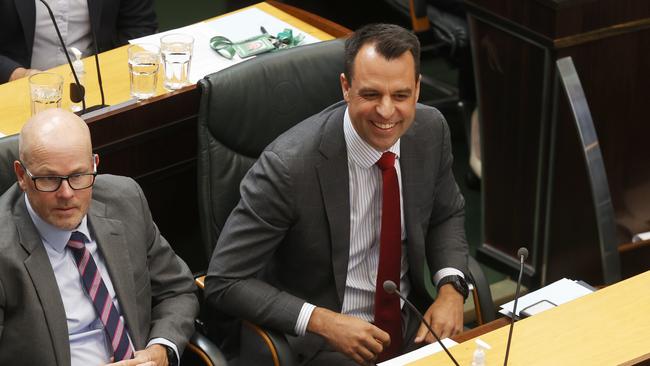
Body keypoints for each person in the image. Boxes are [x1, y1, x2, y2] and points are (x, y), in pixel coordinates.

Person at [205, 23, 469, 365]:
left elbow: (446, 213)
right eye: (371, 95)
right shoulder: (287, 167)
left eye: (401, 95)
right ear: (346, 88)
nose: (387, 112)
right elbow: (225, 280)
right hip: (323, 345)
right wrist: (322, 321)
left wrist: (450, 289)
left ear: (418, 89)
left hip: (408, 327)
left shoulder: (430, 130)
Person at [0, 109, 198, 365]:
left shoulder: (125, 200)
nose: (67, 193)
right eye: (49, 179)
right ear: (21, 176)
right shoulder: (4, 250)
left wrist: (160, 350)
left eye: (78, 175)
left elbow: (178, 290)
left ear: (94, 164)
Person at [0, 0, 157, 83]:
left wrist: (112, 74)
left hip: (100, 85)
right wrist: (16, 75)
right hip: (18, 91)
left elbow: (139, 26)